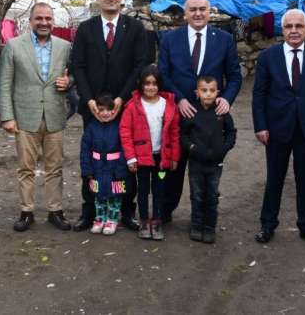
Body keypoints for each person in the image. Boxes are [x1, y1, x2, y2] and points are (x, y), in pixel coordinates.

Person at [252, 8, 305, 245]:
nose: (294, 31)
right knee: (274, 179)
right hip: (277, 129)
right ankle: (267, 225)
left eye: (299, 26)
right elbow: (259, 94)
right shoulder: (268, 57)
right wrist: (261, 126)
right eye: (289, 26)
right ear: (282, 29)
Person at [158, 0, 242, 222]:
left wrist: (226, 98)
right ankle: (164, 214)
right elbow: (163, 74)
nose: (197, 13)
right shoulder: (169, 39)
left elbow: (234, 76)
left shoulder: (224, 39)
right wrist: (180, 99)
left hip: (210, 121)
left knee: (207, 173)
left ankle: (204, 220)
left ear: (209, 12)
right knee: (173, 168)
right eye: (192, 9)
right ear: (185, 14)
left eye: (202, 9)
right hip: (178, 114)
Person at [71, 0, 148, 232]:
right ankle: (90, 211)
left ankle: (126, 210)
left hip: (124, 107)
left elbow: (140, 65)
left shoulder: (135, 28)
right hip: (93, 108)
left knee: (126, 159)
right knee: (93, 159)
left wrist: (121, 99)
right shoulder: (85, 29)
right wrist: (89, 99)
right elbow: (78, 66)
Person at [0, 3, 72, 232]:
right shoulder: (13, 46)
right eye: (39, 18)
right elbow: (4, 83)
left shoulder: (65, 46)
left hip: (55, 115)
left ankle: (55, 211)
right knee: (26, 168)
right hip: (24, 117)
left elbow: (76, 72)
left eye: (48, 18)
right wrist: (7, 117)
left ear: (53, 21)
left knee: (55, 167)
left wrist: (70, 82)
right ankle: (27, 211)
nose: (44, 22)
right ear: (30, 21)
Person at [119, 65, 180, 241]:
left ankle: (157, 221)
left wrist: (174, 156)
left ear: (159, 84)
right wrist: (130, 157)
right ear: (141, 84)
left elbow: (175, 132)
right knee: (143, 190)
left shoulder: (168, 105)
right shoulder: (132, 106)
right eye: (147, 83)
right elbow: (125, 132)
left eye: (154, 83)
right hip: (142, 160)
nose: (150, 87)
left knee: (160, 190)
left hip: (161, 159)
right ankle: (144, 220)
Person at [180, 75, 237, 244]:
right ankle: (196, 225)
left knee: (211, 195)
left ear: (217, 92)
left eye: (212, 91)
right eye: (204, 91)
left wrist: (224, 148)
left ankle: (209, 227)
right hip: (196, 163)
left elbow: (231, 132)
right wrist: (191, 147)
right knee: (197, 195)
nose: (208, 94)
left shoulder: (222, 112)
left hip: (215, 164)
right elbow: (183, 134)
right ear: (197, 92)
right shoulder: (192, 112)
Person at [79, 94, 129, 236]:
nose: (105, 113)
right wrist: (87, 169)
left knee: (115, 196)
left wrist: (121, 169)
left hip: (115, 169)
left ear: (114, 110)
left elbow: (124, 149)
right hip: (97, 168)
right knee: (98, 196)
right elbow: (85, 149)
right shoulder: (91, 127)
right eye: (102, 110)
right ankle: (99, 219)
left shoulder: (119, 126)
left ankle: (112, 220)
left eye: (109, 110)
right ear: (96, 110)